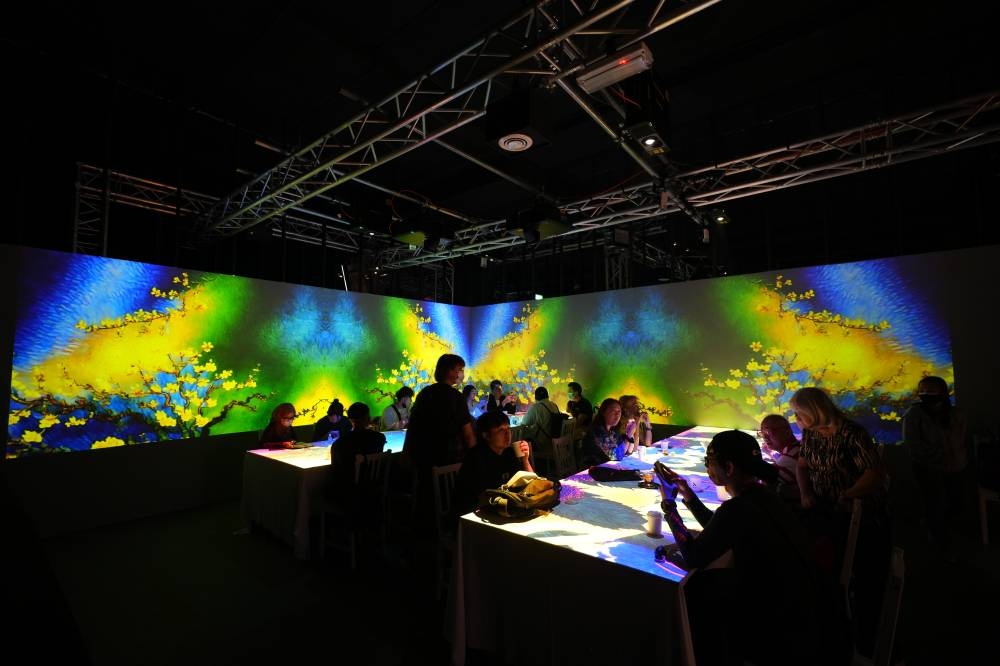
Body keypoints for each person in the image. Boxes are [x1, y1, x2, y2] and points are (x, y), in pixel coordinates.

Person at [655, 430, 826, 666]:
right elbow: (720, 529)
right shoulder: (762, 495)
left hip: (773, 626)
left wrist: (669, 506)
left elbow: (694, 556)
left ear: (729, 467)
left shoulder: (738, 508)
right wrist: (688, 495)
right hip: (800, 611)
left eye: (708, 462)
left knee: (695, 590)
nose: (707, 468)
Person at [791, 386, 890, 658]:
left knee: (863, 575)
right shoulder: (811, 433)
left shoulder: (851, 433)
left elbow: (875, 474)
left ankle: (865, 636)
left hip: (858, 511)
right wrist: (805, 493)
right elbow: (802, 466)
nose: (796, 419)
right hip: (825, 508)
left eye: (799, 414)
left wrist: (848, 494)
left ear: (814, 411)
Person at [902, 375, 969, 558]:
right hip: (929, 469)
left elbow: (963, 438)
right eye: (922, 391)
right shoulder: (914, 415)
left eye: (931, 391)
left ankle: (947, 534)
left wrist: (959, 457)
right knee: (935, 504)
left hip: (957, 467)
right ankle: (940, 542)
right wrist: (939, 456)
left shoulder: (957, 414)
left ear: (942, 392)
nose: (926, 394)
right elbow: (913, 444)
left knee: (955, 502)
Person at [452, 410, 533, 519]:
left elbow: (530, 484)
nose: (507, 434)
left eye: (508, 428)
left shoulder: (509, 452)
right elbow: (481, 498)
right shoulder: (476, 457)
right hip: (473, 514)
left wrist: (525, 460)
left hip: (500, 508)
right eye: (501, 430)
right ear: (486, 435)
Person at [328, 402, 388, 507]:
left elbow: (335, 470)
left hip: (349, 492)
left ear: (350, 419)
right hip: (373, 487)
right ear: (367, 418)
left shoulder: (340, 443)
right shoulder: (379, 438)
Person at [759, 413, 802, 504]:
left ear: (787, 432)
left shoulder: (791, 456)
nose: (764, 437)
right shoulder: (797, 448)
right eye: (762, 433)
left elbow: (763, 488)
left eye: (768, 432)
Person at [519, 386, 562, 468]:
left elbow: (524, 422)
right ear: (547, 395)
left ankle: (531, 467)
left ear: (536, 397)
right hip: (557, 442)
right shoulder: (554, 405)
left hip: (544, 445)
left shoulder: (536, 407)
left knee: (525, 438)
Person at [579, 397, 629, 467]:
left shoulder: (613, 431)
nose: (617, 415)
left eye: (619, 411)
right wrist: (629, 434)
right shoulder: (595, 433)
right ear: (603, 412)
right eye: (613, 411)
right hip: (595, 470)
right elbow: (612, 457)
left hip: (609, 468)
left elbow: (621, 454)